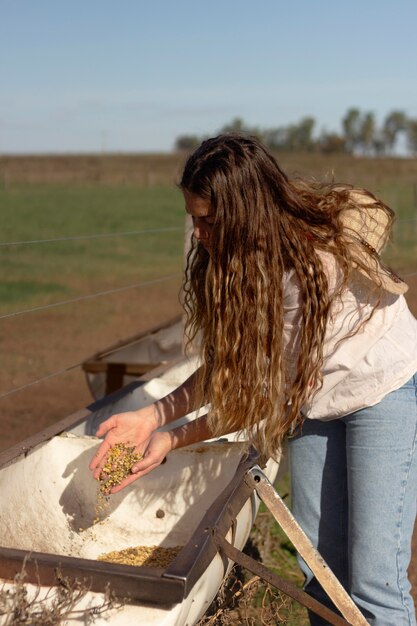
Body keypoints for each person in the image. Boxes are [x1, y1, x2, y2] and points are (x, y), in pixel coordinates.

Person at [89, 134, 417, 626]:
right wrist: (151, 416)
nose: (199, 234)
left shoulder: (306, 267)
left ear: (245, 212)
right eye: (193, 219)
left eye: (209, 221)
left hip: (379, 388)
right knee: (322, 574)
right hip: (314, 396)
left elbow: (255, 396)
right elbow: (232, 365)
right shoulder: (240, 263)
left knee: (372, 583)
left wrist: (170, 438)